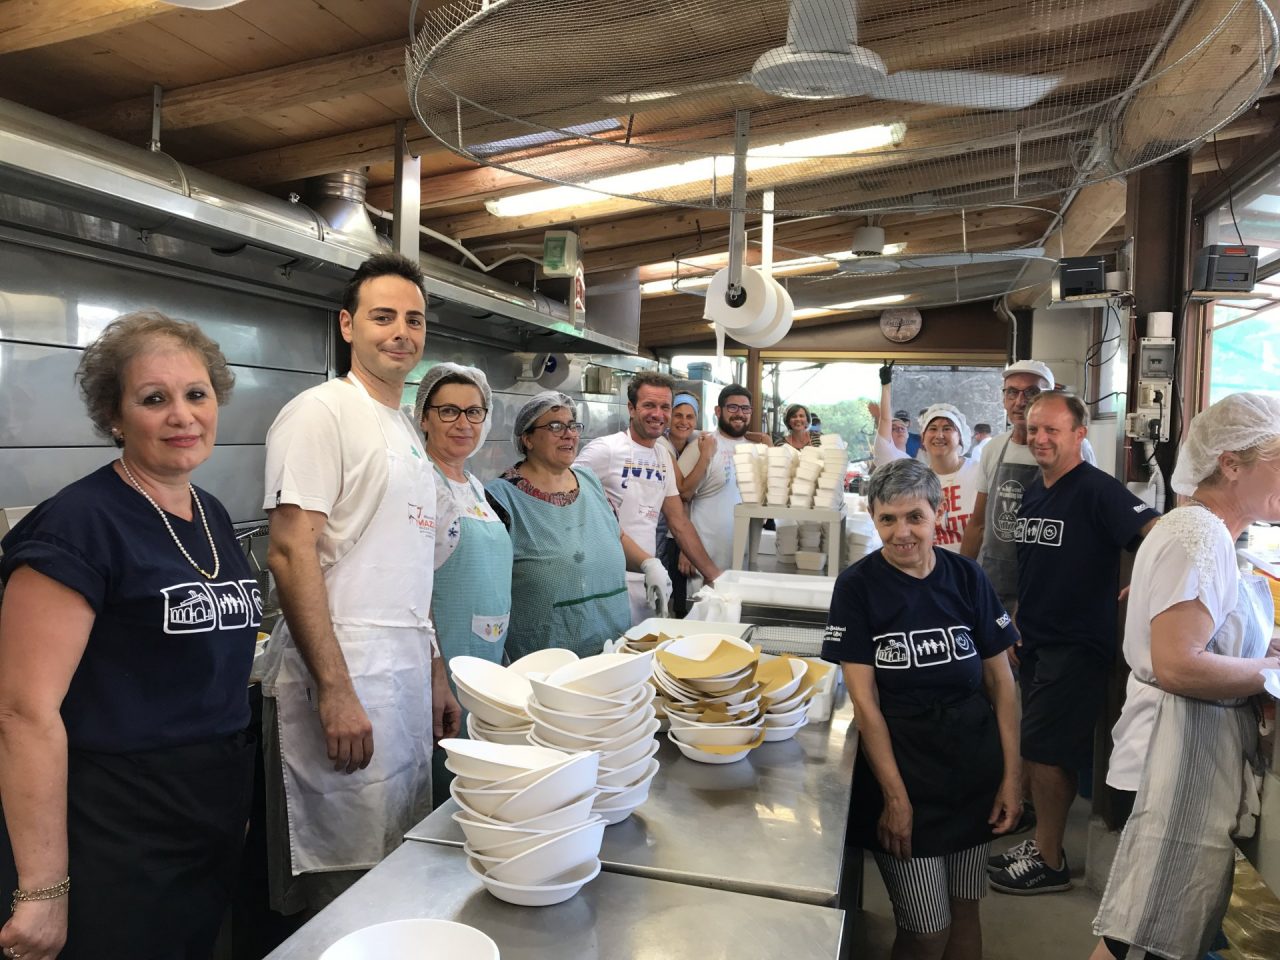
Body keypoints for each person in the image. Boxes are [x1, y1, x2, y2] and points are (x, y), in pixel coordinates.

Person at [0, 311, 257, 960]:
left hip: (204, 818)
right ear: (115, 417)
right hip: (115, 829)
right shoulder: (78, 528)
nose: (182, 415)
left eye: (196, 395)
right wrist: (42, 889)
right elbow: (23, 712)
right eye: (154, 399)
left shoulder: (212, 514)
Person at [259, 252, 461, 916]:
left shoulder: (404, 429)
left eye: (414, 319)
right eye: (382, 317)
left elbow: (409, 567)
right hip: (345, 679)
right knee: (344, 890)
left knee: (396, 869)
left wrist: (432, 670)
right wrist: (337, 691)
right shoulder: (321, 412)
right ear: (348, 325)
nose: (401, 331)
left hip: (400, 684)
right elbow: (291, 552)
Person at [1090, 393, 1280, 960]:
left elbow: (1203, 634)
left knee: (1132, 939)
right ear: (1230, 463)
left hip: (1174, 758)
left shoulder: (1204, 533)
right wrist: (1271, 671)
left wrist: (1262, 648)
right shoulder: (1197, 535)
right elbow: (1179, 663)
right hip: (1164, 765)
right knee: (1141, 940)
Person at [822, 458, 1021, 960]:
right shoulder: (858, 587)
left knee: (966, 911)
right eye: (888, 519)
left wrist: (1012, 776)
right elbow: (865, 704)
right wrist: (895, 798)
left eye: (914, 517)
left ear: (937, 516)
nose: (902, 532)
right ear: (873, 518)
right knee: (926, 928)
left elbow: (1002, 681)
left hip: (973, 774)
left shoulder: (966, 577)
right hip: (905, 775)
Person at [987, 392, 1159, 896]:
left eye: (1052, 431)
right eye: (1034, 429)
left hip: (1077, 643)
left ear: (1079, 435)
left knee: (1048, 753)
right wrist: (1019, 620)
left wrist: (1149, 582)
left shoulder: (1097, 490)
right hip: (1035, 637)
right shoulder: (1036, 490)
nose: (1040, 438)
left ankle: (1050, 859)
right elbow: (1037, 563)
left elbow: (1155, 531)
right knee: (1040, 747)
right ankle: (1044, 842)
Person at [414, 363, 512, 803]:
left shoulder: (473, 485)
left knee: (481, 782)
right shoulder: (421, 485)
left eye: (474, 413)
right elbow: (414, 588)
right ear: (424, 417)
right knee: (447, 781)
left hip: (486, 660)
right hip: (444, 667)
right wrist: (436, 676)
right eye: (449, 411)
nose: (463, 424)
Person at [486, 392, 635, 659]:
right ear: (527, 439)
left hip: (613, 648)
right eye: (555, 426)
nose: (568, 434)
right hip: (546, 657)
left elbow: (614, 534)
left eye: (573, 425)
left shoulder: (589, 480)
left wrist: (650, 564)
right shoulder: (500, 499)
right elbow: (487, 587)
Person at [575, 370, 722, 623]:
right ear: (631, 408)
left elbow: (679, 522)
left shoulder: (662, 457)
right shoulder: (605, 450)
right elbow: (563, 496)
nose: (658, 414)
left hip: (648, 580)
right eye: (649, 405)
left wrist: (713, 575)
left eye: (665, 406)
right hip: (605, 582)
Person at [960, 361, 1098, 610]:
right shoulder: (993, 449)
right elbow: (978, 524)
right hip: (996, 584)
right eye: (1011, 392)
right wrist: (958, 580)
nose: (1020, 401)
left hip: (1050, 584)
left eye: (1032, 393)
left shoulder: (1075, 447)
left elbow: (1087, 520)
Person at [681, 384, 750, 577]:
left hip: (740, 559)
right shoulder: (702, 446)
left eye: (745, 408)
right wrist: (684, 550)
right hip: (703, 561)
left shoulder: (754, 449)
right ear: (718, 411)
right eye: (733, 407)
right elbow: (679, 499)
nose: (740, 413)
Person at [656, 392, 710, 617]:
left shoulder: (689, 440)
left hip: (671, 524)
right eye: (678, 415)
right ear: (668, 417)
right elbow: (684, 490)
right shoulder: (662, 445)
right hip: (659, 526)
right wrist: (706, 456)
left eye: (690, 416)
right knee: (660, 589)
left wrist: (762, 438)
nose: (684, 421)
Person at [918, 403, 981, 552]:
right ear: (923, 438)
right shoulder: (918, 481)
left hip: (972, 568)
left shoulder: (979, 472)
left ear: (960, 437)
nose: (939, 435)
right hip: (932, 568)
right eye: (932, 429)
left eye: (947, 429)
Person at [870, 361, 911, 467]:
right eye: (893, 428)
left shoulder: (909, 460)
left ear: (908, 435)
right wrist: (886, 384)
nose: (899, 429)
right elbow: (885, 419)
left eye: (903, 427)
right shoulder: (885, 450)